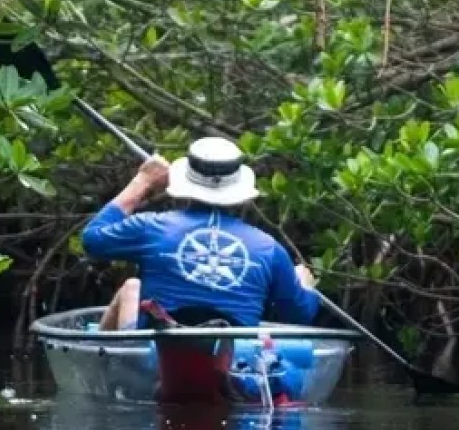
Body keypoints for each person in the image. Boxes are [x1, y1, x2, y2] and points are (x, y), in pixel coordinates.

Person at [81, 136, 320, 330]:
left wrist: (143, 181)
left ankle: (111, 367)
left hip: (157, 355)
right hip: (234, 359)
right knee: (133, 286)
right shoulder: (269, 248)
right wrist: (305, 286)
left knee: (131, 287)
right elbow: (300, 315)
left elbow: (93, 238)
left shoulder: (151, 227)